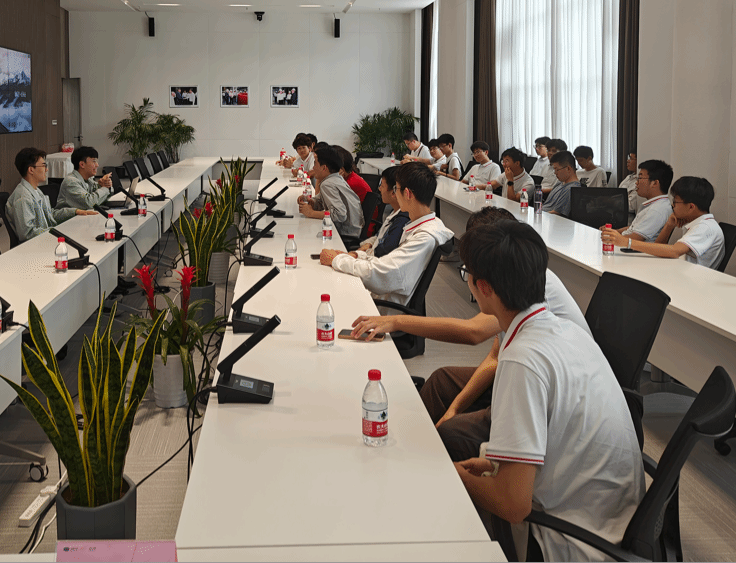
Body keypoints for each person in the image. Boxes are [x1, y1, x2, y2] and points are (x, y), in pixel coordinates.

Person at [454, 219, 644, 562]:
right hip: (610, 513)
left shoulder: (523, 359)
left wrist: (455, 476)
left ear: (483, 287)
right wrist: (495, 464)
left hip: (576, 538)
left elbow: (513, 505)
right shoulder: (565, 330)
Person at [351, 206, 590, 454]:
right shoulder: (515, 276)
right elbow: (496, 356)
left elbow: (473, 332)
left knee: (454, 433)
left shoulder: (525, 285)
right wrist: (455, 407)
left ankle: (425, 454)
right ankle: (412, 446)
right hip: (537, 374)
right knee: (442, 382)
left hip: (551, 389)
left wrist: (397, 322)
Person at [320, 162, 453, 306]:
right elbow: (386, 261)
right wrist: (356, 256)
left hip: (383, 305)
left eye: (396, 188)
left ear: (407, 193)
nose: (394, 193)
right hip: (381, 294)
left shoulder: (424, 237)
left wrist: (337, 260)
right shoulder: (420, 224)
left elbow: (381, 274)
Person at [602, 176, 725, 268]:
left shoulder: (705, 227)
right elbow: (659, 246)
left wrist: (627, 242)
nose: (673, 205)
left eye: (676, 202)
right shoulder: (698, 223)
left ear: (691, 207)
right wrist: (668, 226)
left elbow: (674, 251)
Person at [5, 148, 97, 243]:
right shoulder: (23, 197)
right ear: (31, 170)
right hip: (35, 245)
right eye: (44, 166)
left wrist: (75, 211)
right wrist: (57, 232)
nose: (47, 169)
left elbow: (50, 215)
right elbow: (28, 234)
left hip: (44, 239)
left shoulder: (35, 190)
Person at [297, 146, 363, 238]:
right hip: (353, 230)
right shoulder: (336, 178)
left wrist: (311, 213)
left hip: (346, 234)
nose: (313, 167)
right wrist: (312, 202)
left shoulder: (327, 184)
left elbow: (340, 215)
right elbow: (323, 201)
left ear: (324, 168)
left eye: (315, 163)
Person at [344, 166, 409, 258]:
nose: (379, 189)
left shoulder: (402, 220)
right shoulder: (394, 212)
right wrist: (369, 244)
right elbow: (380, 236)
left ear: (394, 192)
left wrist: (356, 255)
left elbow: (381, 254)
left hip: (372, 260)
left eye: (382, 185)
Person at [606, 159, 673, 242]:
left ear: (655, 183)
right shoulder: (655, 204)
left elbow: (635, 239)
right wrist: (614, 231)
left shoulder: (657, 209)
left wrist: (610, 236)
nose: (636, 183)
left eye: (640, 178)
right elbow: (633, 229)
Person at [56, 146, 114, 210]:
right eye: (94, 161)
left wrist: (105, 184)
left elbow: (102, 198)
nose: (97, 165)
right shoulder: (71, 182)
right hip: (72, 216)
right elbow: (89, 203)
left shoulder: (88, 180)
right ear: (82, 164)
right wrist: (105, 187)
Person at [541, 151, 580, 216]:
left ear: (568, 169)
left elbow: (556, 213)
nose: (555, 172)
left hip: (548, 218)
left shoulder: (571, 189)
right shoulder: (560, 183)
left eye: (557, 169)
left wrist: (537, 214)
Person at [619, 149, 644, 215]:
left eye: (631, 158)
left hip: (628, 215)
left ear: (638, 160)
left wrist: (612, 202)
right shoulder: (628, 177)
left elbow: (630, 206)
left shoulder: (639, 181)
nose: (628, 161)